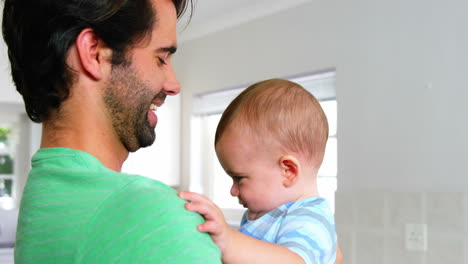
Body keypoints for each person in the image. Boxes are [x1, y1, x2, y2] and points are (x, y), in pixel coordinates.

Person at [2, 0, 221, 263]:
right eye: (160, 58)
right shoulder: (152, 217)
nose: (174, 85)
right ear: (94, 53)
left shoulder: (43, 200)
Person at [180, 78, 341, 264]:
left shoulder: (309, 219)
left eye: (239, 178)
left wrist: (229, 241)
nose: (233, 190)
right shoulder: (266, 216)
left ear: (288, 171)